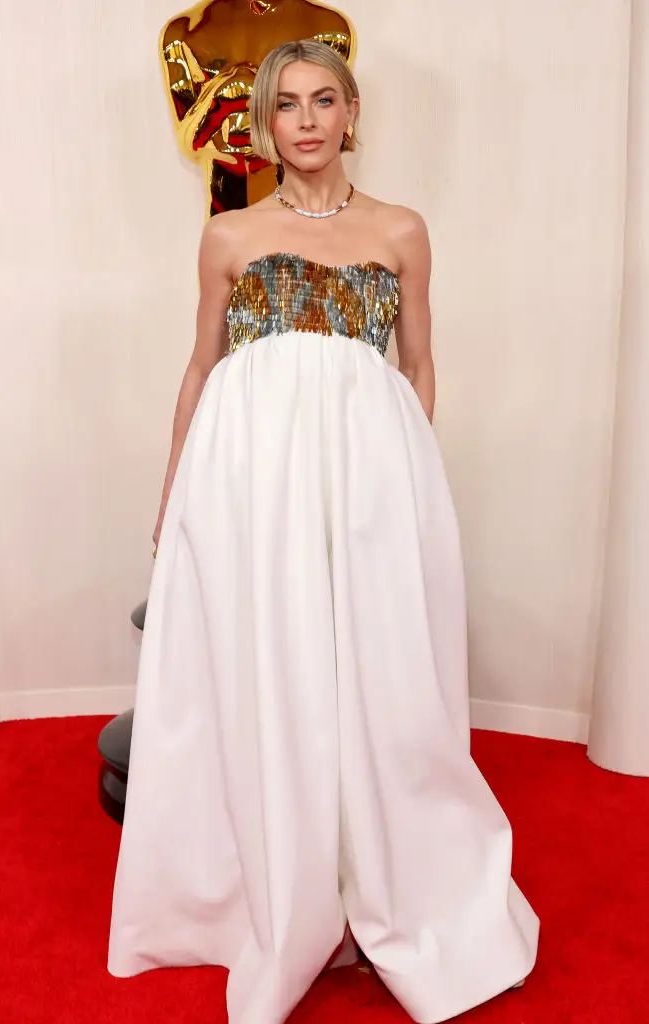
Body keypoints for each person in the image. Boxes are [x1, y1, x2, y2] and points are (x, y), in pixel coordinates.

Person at [108, 39, 539, 1024]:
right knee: (268, 667)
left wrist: (405, 480)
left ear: (351, 113)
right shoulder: (228, 234)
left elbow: (418, 365)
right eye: (286, 104)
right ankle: (274, 885)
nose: (305, 120)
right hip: (247, 484)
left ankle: (385, 883)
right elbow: (201, 367)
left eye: (323, 100)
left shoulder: (400, 229)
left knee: (377, 676)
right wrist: (174, 495)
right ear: (265, 122)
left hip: (368, 487)